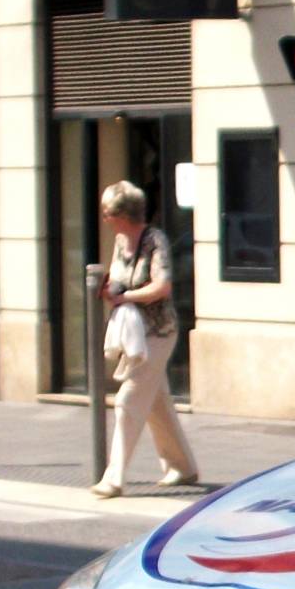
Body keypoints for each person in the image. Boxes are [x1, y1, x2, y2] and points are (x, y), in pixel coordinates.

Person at [91, 181, 199, 497]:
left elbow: (161, 286)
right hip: (136, 333)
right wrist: (110, 291)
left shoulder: (155, 240)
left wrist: (126, 297)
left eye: (108, 213)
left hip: (159, 332)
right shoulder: (120, 241)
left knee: (128, 399)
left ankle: (114, 477)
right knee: (155, 402)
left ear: (122, 214)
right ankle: (182, 467)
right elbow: (118, 279)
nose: (105, 218)